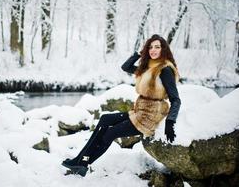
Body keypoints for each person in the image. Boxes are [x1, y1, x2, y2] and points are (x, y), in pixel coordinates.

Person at [61, 34, 181, 177]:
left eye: (157, 47)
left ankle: (83, 164)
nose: (153, 50)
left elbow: (176, 99)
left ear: (164, 49)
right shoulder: (148, 67)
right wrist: (138, 53)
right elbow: (126, 67)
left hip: (150, 116)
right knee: (105, 119)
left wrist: (170, 122)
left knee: (110, 133)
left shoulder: (165, 70)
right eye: (150, 47)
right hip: (140, 111)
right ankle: (79, 160)